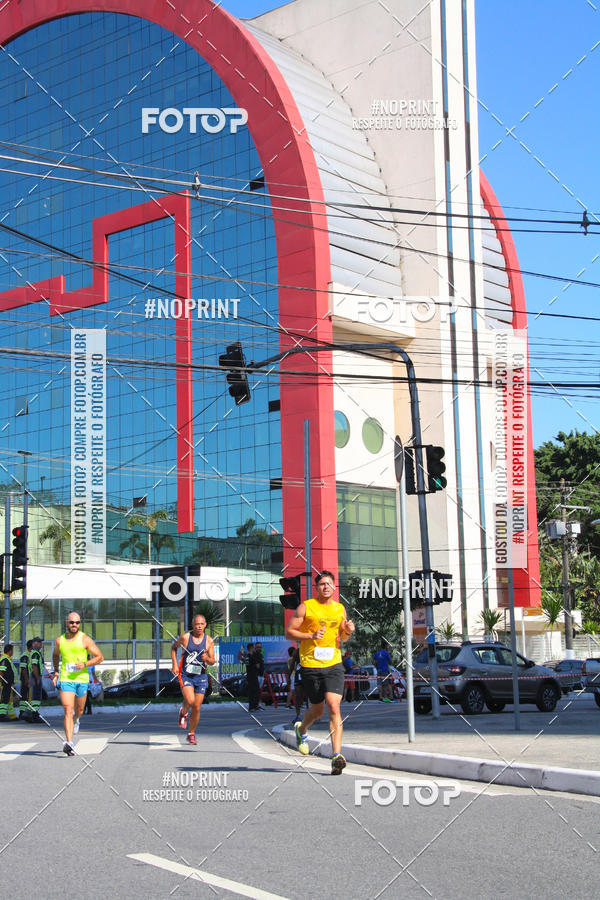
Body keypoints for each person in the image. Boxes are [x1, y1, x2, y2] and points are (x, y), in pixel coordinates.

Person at [285, 571, 355, 775]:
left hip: (334, 664)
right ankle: (302, 729)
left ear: (334, 587)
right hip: (311, 665)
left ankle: (336, 756)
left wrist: (348, 630)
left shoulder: (339, 608)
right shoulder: (306, 607)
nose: (326, 587)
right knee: (317, 711)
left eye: (329, 584)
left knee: (334, 706)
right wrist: (311, 635)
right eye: (322, 584)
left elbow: (344, 637)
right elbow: (289, 632)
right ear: (316, 588)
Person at [52, 613, 104, 756]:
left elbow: (100, 657)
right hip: (66, 679)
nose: (74, 625)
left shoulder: (85, 639)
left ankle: (76, 720)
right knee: (68, 709)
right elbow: (55, 655)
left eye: (77, 622)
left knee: (79, 710)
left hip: (81, 679)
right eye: (72, 622)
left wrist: (85, 664)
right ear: (66, 623)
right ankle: (69, 743)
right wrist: (56, 672)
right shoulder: (60, 640)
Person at [171, 614, 215, 745]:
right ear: (193, 625)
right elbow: (174, 648)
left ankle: (191, 733)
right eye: (197, 624)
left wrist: (207, 659)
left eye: (201, 624)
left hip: (200, 676)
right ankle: (183, 712)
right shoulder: (185, 637)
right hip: (186, 674)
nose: (199, 626)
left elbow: (212, 661)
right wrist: (174, 664)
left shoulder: (209, 641)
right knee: (190, 700)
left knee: (196, 707)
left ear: (205, 625)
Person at [29, 636, 45, 721]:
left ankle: (31, 713)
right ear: (34, 644)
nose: (41, 644)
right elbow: (34, 666)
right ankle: (34, 715)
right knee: (36, 696)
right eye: (39, 642)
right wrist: (37, 678)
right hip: (35, 676)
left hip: (34, 676)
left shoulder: (35, 653)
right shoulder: (35, 654)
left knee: (35, 696)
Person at [0, 644, 18, 721]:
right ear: (10, 651)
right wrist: (3, 683)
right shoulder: (5, 659)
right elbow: (1, 672)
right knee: (4, 699)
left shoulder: (7, 659)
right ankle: (2, 715)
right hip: (5, 683)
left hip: (8, 683)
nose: (13, 652)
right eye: (12, 650)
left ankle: (12, 716)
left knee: (8, 700)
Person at [19, 640, 32, 720]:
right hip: (25, 679)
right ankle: (22, 713)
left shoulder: (29, 655)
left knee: (26, 696)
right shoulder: (25, 656)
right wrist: (27, 679)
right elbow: (23, 669)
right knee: (24, 696)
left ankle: (24, 713)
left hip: (28, 679)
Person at [246, 642, 261, 712]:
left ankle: (251, 707)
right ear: (251, 648)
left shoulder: (247, 656)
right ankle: (254, 706)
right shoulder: (253, 656)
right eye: (254, 648)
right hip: (253, 675)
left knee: (251, 691)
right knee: (257, 691)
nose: (255, 649)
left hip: (249, 675)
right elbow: (258, 666)